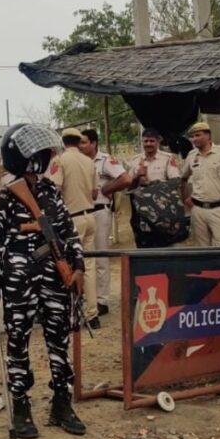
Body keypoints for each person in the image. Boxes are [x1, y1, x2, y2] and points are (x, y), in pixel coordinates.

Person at [0, 123, 87, 438]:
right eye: (37, 153)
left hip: (54, 277)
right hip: (18, 280)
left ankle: (61, 403)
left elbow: (69, 233)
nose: (42, 157)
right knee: (18, 341)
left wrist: (78, 267)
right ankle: (21, 406)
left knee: (59, 339)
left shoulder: (50, 191)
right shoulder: (3, 198)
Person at [50, 127, 100, 329]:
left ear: (63, 142)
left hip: (71, 220)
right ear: (79, 142)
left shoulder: (59, 161)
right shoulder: (89, 161)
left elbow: (55, 189)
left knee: (70, 266)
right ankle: (92, 314)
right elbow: (95, 193)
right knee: (89, 266)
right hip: (90, 215)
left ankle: (73, 313)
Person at [80, 129, 131, 316]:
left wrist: (107, 189)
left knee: (101, 257)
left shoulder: (105, 160)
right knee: (85, 258)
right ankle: (88, 298)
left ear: (94, 143)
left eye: (84, 142)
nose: (80, 145)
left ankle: (102, 300)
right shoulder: (79, 161)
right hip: (82, 213)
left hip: (100, 211)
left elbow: (125, 178)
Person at [180, 122, 220, 247]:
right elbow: (183, 178)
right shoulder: (191, 156)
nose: (195, 139)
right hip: (198, 210)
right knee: (201, 249)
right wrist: (186, 198)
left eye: (198, 135)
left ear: (208, 135)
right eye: (193, 136)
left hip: (219, 209)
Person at [126, 128, 186, 248]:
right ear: (142, 142)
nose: (148, 144)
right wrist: (137, 176)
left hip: (162, 209)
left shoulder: (168, 159)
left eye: (152, 141)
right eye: (146, 141)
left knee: (165, 242)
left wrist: (152, 185)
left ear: (158, 142)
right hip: (140, 210)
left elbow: (175, 181)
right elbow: (129, 187)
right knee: (143, 242)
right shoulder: (134, 161)